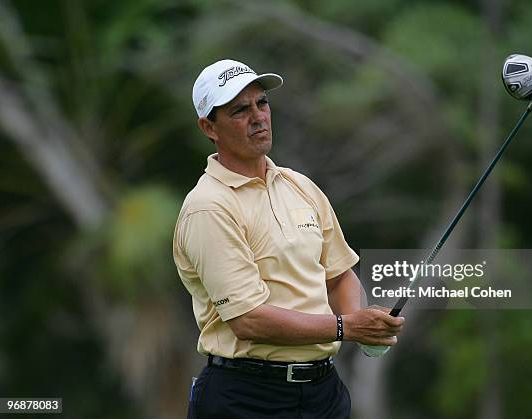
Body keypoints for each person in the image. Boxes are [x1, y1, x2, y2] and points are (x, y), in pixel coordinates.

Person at [172, 59, 405, 419]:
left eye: (261, 103)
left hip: (324, 394)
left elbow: (338, 275)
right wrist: (347, 327)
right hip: (246, 399)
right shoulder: (208, 206)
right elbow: (248, 320)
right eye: (239, 110)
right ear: (209, 127)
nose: (258, 117)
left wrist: (365, 324)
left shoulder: (300, 186)